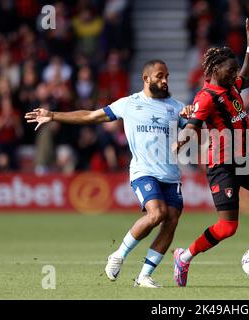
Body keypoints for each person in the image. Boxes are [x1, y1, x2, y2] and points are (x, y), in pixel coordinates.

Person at [25, 60, 192, 288]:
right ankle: (119, 255)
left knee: (171, 221)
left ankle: (143, 276)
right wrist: (53, 115)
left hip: (171, 174)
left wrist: (192, 118)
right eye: (160, 76)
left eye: (167, 76)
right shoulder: (128, 104)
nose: (165, 81)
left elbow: (194, 131)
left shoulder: (176, 107)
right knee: (157, 214)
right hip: (144, 172)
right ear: (146, 79)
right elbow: (91, 116)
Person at [172, 19, 249, 287]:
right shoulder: (205, 97)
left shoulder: (232, 86)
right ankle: (184, 256)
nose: (233, 75)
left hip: (244, 159)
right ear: (215, 70)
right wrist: (179, 142)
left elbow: (248, 77)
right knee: (228, 227)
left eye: (233, 70)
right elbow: (193, 126)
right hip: (222, 165)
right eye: (229, 71)